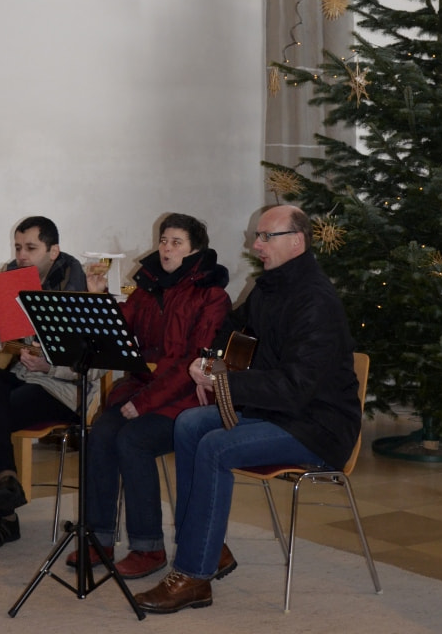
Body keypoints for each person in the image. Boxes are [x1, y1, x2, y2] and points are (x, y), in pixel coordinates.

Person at [133, 204, 362, 613]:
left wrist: (224, 381)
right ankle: (207, 548)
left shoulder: (316, 301)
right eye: (257, 236)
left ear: (296, 242)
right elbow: (234, 330)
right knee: (189, 424)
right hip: (278, 414)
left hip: (317, 427)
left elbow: (296, 388)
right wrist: (210, 360)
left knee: (216, 446)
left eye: (264, 237)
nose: (255, 245)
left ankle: (193, 575)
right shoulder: (271, 286)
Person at [66, 214, 230, 580]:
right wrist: (97, 297)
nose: (167, 248)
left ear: (196, 250)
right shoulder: (147, 288)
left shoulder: (212, 296)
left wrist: (144, 402)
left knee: (133, 441)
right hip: (143, 391)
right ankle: (100, 538)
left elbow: (194, 364)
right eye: (164, 240)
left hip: (189, 402)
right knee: (102, 433)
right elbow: (118, 332)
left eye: (177, 242)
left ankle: (147, 547)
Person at [0, 216, 94, 550]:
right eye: (18, 247)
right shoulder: (12, 282)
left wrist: (48, 366)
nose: (22, 256)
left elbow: (90, 367)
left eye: (31, 248)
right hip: (23, 377)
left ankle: (4, 517)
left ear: (54, 251)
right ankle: (7, 483)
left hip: (62, 390)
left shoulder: (79, 290)